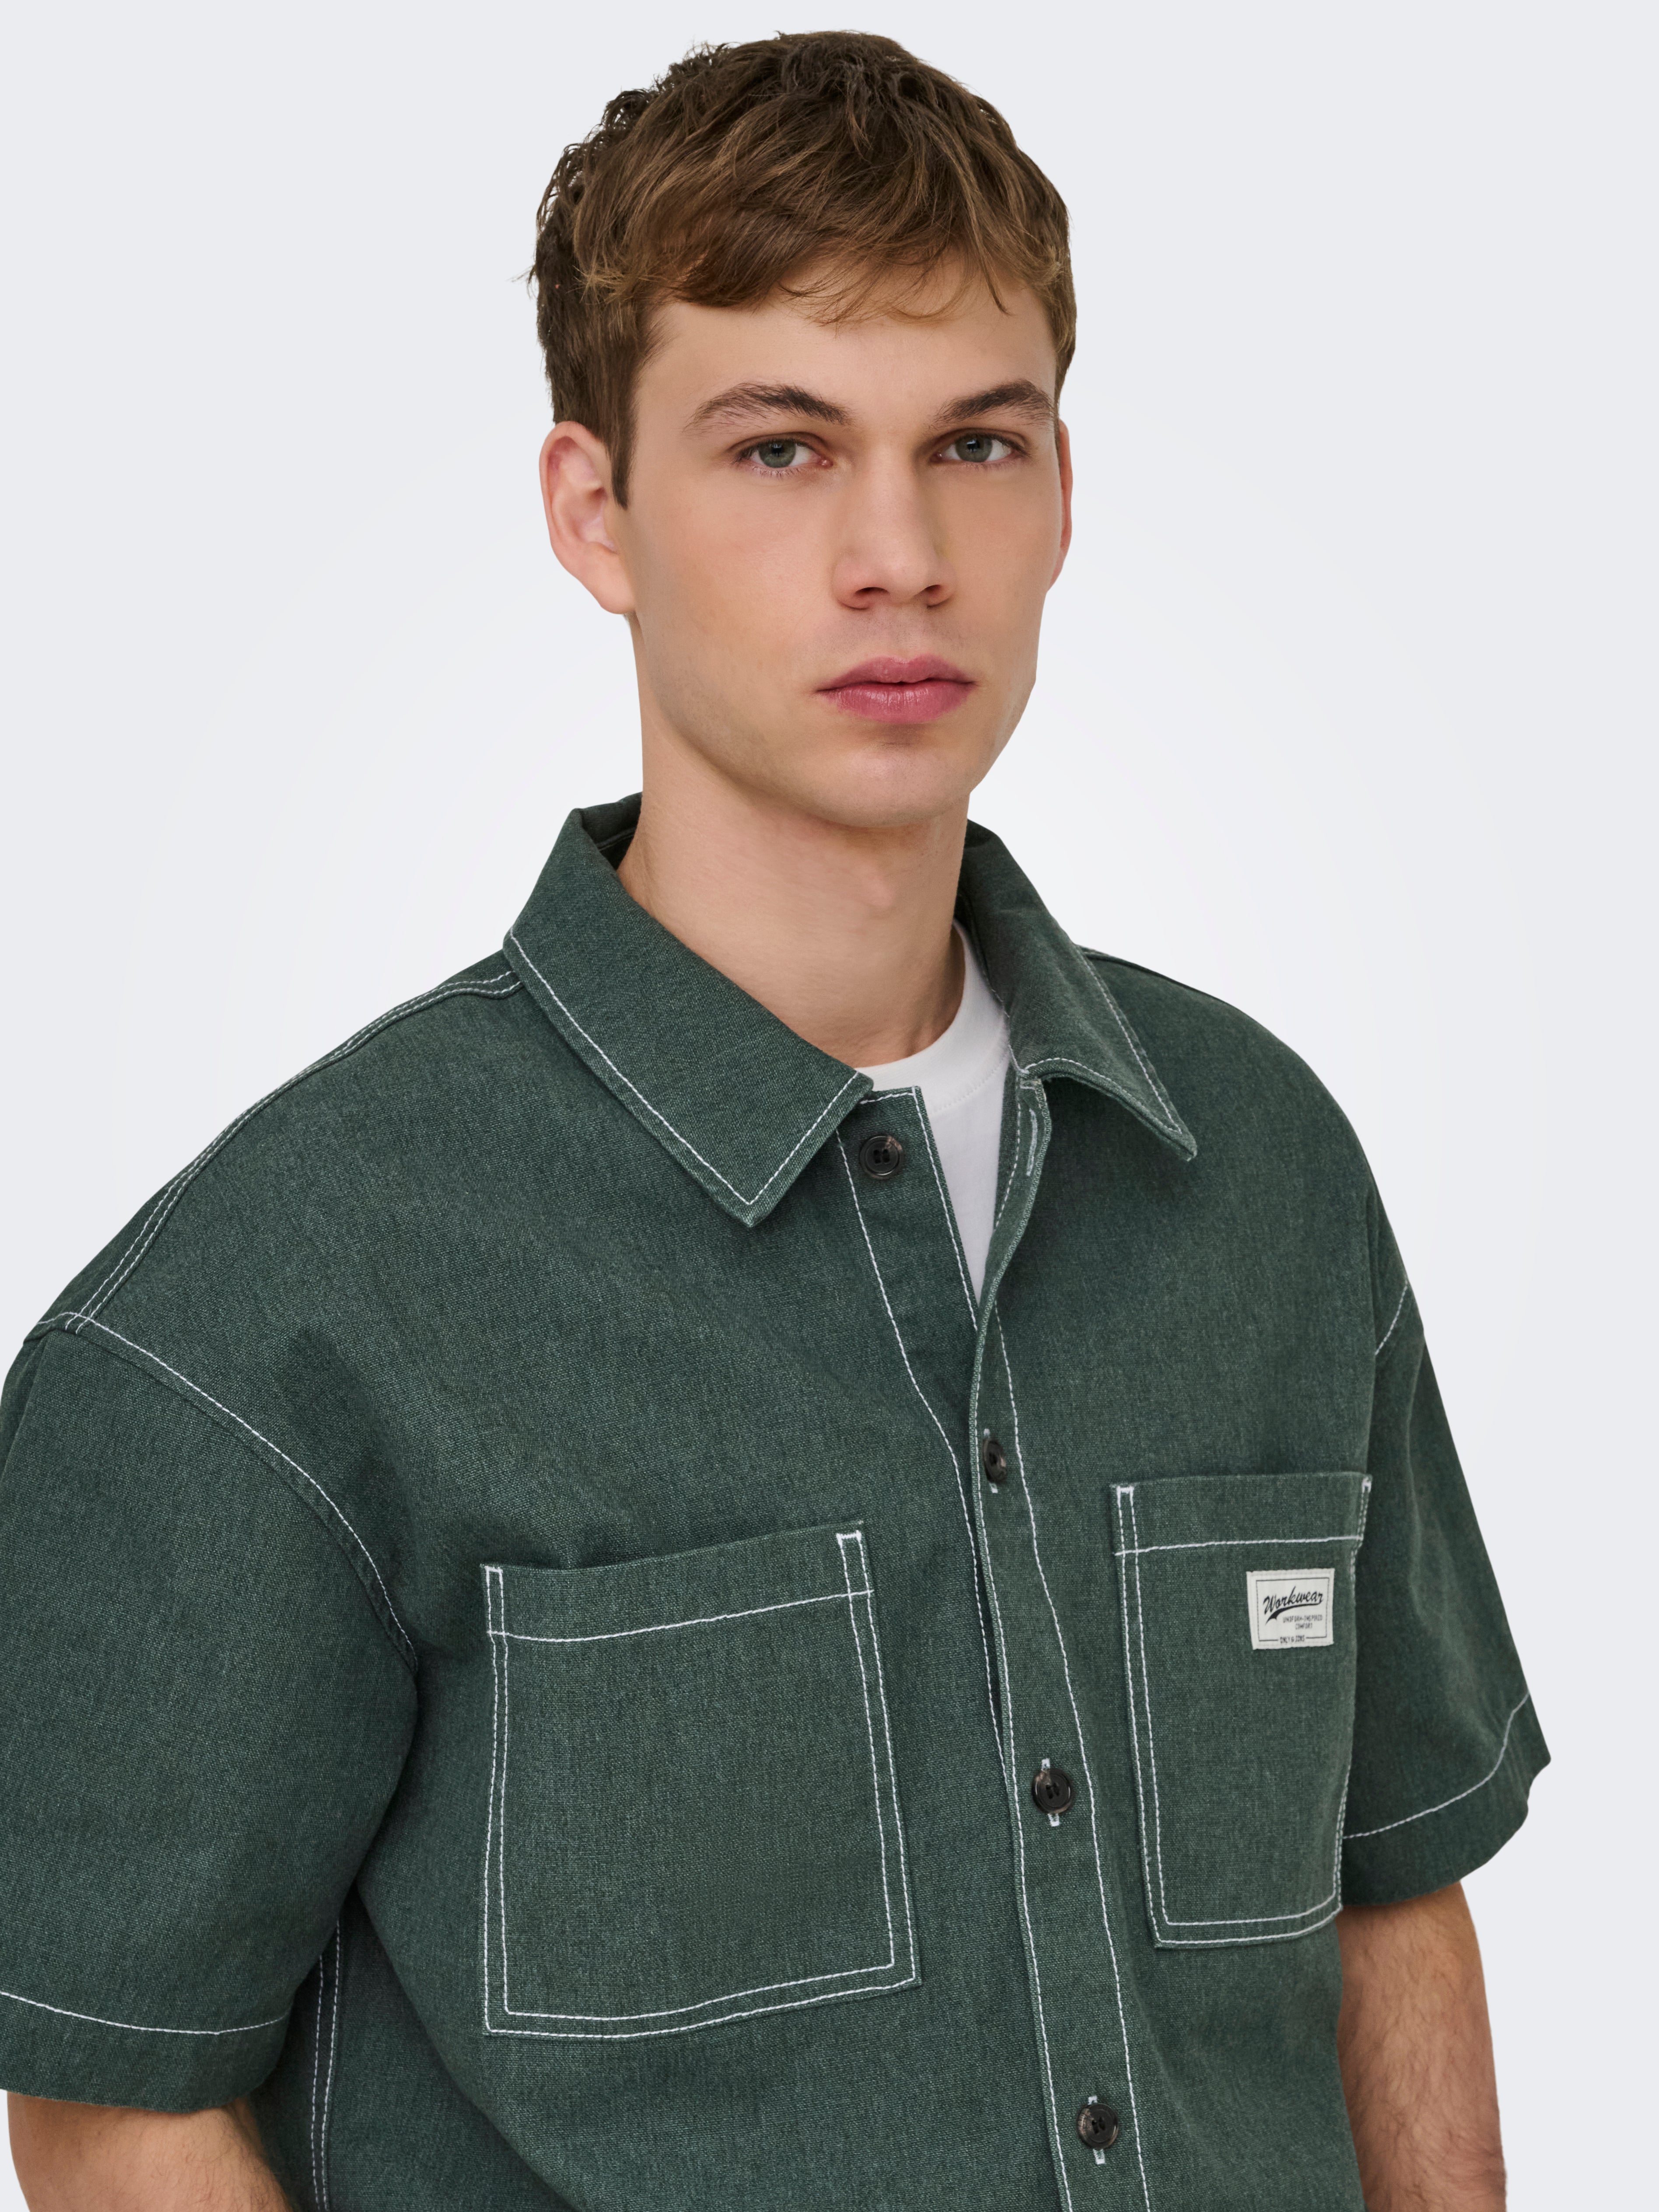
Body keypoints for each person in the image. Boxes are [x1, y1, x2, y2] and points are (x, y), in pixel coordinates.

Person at [0, 31, 1546, 2212]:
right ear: (594, 511)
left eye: (975, 442)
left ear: (1064, 497)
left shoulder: (1264, 1172)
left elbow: (1389, 1892)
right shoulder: (264, 1314)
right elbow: (113, 2103)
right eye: (782, 447)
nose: (898, 553)